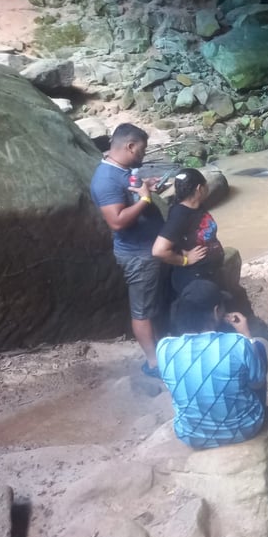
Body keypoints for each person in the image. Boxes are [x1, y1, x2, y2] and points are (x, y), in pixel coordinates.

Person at [89, 123, 165, 377]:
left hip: (148, 250)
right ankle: (154, 364)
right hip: (137, 256)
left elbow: (130, 192)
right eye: (141, 150)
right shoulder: (105, 180)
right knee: (142, 311)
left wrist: (146, 187)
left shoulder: (123, 170)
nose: (144, 154)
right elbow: (117, 221)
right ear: (130, 146)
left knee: (152, 306)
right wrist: (144, 200)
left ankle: (162, 351)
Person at [156, 280, 268, 449]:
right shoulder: (238, 343)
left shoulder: (164, 348)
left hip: (191, 435)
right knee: (258, 348)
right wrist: (246, 335)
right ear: (217, 312)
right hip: (244, 428)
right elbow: (257, 382)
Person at [151, 168, 218, 295]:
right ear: (200, 188)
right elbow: (158, 250)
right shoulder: (180, 215)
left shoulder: (197, 206)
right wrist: (185, 260)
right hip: (194, 279)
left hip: (207, 272)